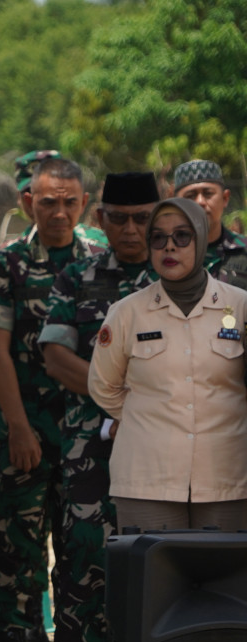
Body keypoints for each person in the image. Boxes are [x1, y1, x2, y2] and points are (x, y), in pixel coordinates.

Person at [0, 158, 103, 642]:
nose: (59, 212)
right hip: (24, 429)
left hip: (83, 435)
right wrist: (20, 428)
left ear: (84, 204)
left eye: (70, 202)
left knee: (81, 548)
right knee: (15, 546)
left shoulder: (98, 264)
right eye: (48, 202)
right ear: (28, 202)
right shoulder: (5, 266)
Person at [39, 172, 159, 642]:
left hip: (160, 442)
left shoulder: (177, 277)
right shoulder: (78, 277)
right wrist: (119, 397)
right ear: (101, 219)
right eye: (120, 219)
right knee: (83, 544)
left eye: (142, 219)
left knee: (155, 545)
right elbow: (54, 356)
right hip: (89, 442)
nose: (131, 229)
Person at [89, 197, 247, 532]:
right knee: (151, 565)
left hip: (228, 478)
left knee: (224, 566)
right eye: (158, 238)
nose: (169, 247)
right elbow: (103, 386)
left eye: (182, 236)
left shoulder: (239, 306)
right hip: (147, 479)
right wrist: (150, 417)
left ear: (201, 239)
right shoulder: (127, 312)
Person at [172, 159, 247, 290]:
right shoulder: (164, 254)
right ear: (176, 204)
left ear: (225, 198)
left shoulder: (243, 251)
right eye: (190, 196)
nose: (200, 202)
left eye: (208, 194)